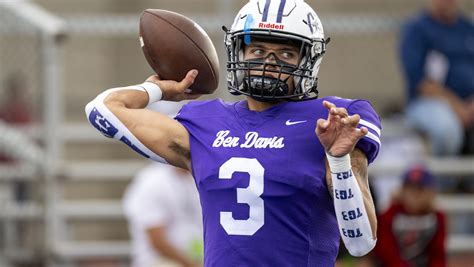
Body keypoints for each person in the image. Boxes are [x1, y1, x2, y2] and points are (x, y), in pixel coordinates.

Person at [85, 0, 382, 265]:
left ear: (309, 60)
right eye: (257, 50)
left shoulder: (331, 119)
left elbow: (360, 243)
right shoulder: (204, 122)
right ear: (237, 52)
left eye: (286, 53)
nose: (269, 63)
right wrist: (159, 89)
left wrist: (339, 159)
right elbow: (102, 109)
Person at [399, 0, 474, 156]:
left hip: (469, 104)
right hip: (429, 103)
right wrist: (458, 107)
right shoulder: (417, 30)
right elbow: (420, 82)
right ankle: (445, 180)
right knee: (446, 129)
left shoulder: (467, 29)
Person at [123, 163, 203, 267]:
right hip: (159, 261)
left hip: (196, 257)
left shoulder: (197, 177)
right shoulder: (152, 181)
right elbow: (157, 240)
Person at [374, 165, 446, 267]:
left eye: (420, 189)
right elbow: (386, 252)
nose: (414, 194)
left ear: (430, 192)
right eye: (409, 188)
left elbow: (438, 255)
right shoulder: (390, 214)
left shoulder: (437, 217)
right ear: (402, 190)